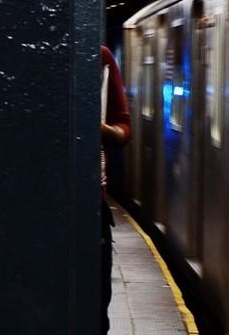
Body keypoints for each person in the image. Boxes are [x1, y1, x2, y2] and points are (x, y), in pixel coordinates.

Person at [99, 45, 131, 334]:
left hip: (91, 209)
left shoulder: (101, 57)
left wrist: (106, 131)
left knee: (96, 307)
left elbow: (123, 127)